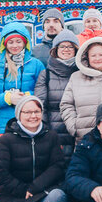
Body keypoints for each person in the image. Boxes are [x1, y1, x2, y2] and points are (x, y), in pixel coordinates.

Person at [33, 29, 80, 161]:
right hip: (54, 132)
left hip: (78, 130)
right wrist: (46, 133)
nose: (66, 49)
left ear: (76, 49)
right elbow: (40, 104)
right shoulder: (46, 75)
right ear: (56, 49)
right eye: (62, 46)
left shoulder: (82, 72)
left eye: (70, 46)